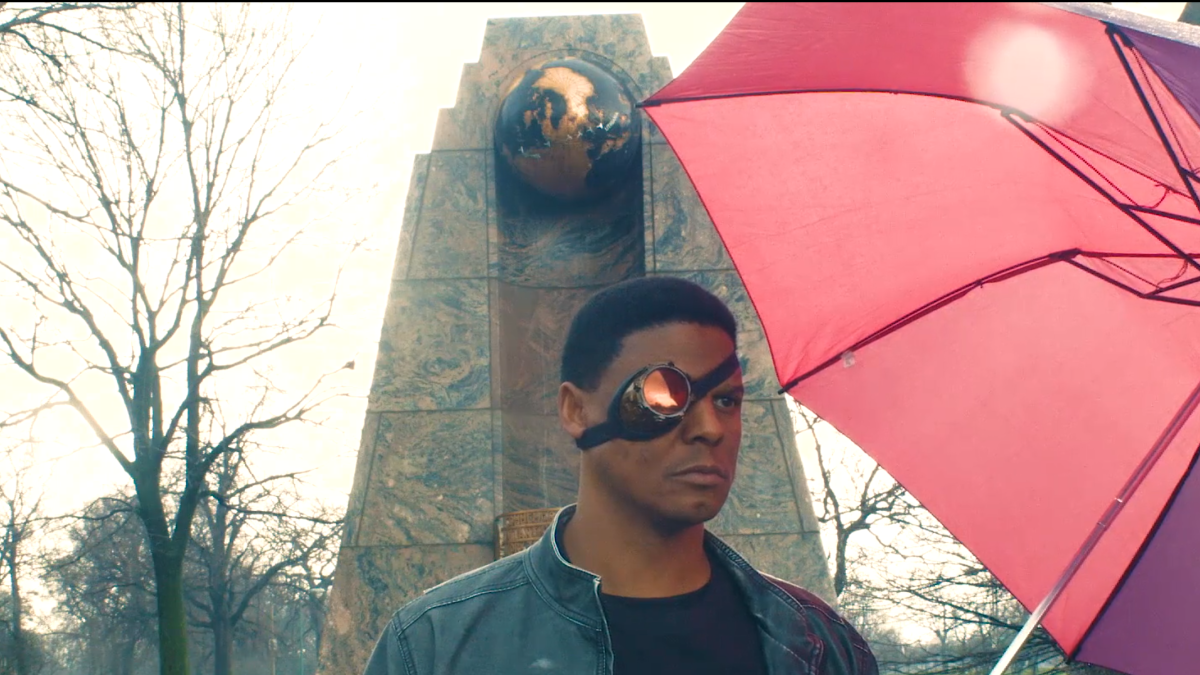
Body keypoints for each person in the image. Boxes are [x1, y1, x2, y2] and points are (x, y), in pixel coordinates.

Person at [363, 276, 877, 675]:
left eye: (727, 400)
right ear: (576, 410)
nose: (711, 428)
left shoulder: (818, 645)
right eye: (665, 395)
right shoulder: (438, 644)